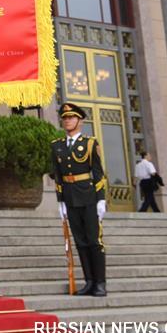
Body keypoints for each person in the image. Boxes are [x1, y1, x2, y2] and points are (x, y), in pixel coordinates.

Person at [51, 102, 108, 297]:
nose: (67, 121)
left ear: (80, 121)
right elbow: (58, 176)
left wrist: (101, 199)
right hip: (70, 198)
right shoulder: (56, 146)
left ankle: (100, 282)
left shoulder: (90, 143)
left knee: (94, 241)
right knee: (80, 242)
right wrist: (60, 202)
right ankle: (89, 282)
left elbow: (99, 173)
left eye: (71, 118)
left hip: (89, 197)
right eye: (65, 118)